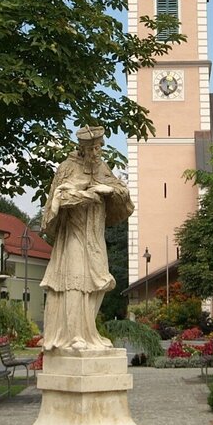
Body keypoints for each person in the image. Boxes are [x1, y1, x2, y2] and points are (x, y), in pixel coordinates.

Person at [40, 126, 132, 351]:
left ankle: (89, 331)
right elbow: (55, 201)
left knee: (98, 282)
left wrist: (106, 190)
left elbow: (121, 191)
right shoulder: (66, 168)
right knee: (74, 281)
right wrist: (80, 195)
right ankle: (74, 335)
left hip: (95, 234)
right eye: (93, 148)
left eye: (99, 146)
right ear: (83, 148)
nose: (97, 151)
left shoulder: (101, 167)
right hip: (74, 233)